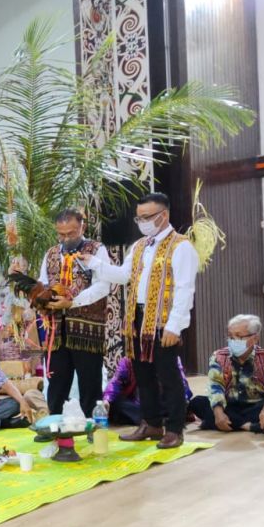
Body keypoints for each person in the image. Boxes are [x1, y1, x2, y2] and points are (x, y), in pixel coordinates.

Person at [82, 192, 199, 449]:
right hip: (137, 317)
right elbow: (124, 276)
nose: (142, 222)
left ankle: (175, 429)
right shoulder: (139, 246)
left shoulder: (181, 246)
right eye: (139, 217)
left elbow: (185, 289)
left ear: (163, 215)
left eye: (147, 217)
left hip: (163, 320)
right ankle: (151, 423)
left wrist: (174, 326)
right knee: (143, 374)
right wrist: (94, 263)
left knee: (168, 376)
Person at [36, 209, 112, 417]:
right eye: (61, 234)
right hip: (56, 331)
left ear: (82, 227)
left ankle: (92, 429)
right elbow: (43, 282)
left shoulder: (96, 249)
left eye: (71, 233)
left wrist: (73, 303)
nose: (65, 238)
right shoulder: (51, 253)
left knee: (90, 384)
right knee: (57, 383)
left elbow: (103, 286)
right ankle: (55, 429)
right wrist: (41, 297)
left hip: (86, 329)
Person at [188, 315, 264, 436]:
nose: (232, 340)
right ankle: (250, 426)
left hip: (258, 406)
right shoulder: (219, 356)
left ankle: (232, 424)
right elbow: (216, 386)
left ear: (255, 338)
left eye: (238, 336)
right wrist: (218, 412)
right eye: (230, 336)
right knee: (198, 402)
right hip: (229, 406)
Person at [104, 356, 192, 426]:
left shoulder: (170, 358)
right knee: (116, 404)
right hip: (138, 406)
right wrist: (107, 399)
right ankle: (154, 420)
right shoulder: (127, 361)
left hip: (163, 403)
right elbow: (116, 382)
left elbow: (182, 384)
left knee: (181, 403)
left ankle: (153, 421)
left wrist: (181, 401)